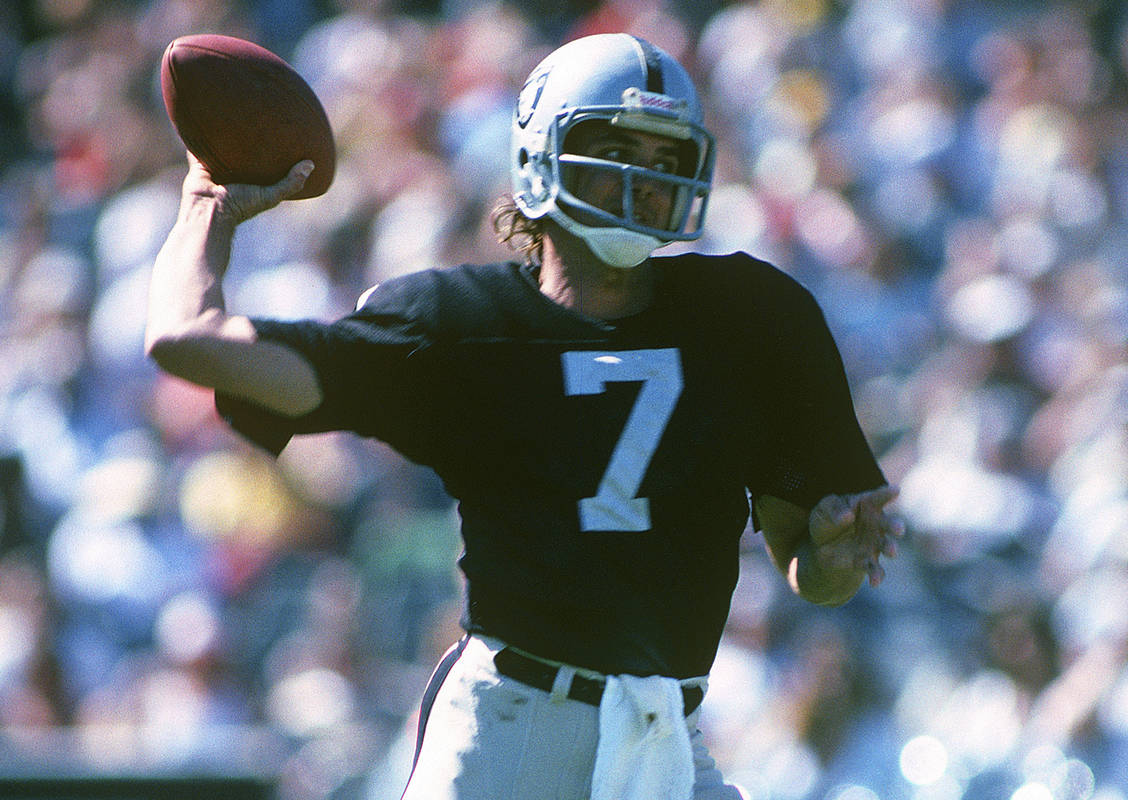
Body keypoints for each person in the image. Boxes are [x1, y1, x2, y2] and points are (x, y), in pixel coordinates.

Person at [147, 33, 902, 800]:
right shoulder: (459, 324)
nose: (641, 175)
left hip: (664, 739)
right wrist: (207, 205)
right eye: (614, 147)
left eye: (664, 156)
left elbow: (810, 570)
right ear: (543, 153)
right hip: (513, 731)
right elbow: (187, 340)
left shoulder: (753, 319)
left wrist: (839, 557)